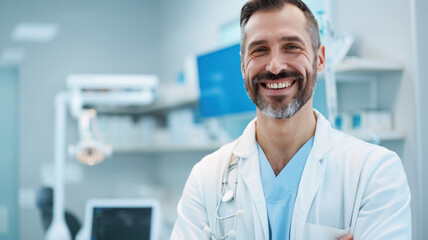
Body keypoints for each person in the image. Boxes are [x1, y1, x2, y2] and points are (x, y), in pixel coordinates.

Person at [170, 0, 411, 239]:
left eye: (292, 46)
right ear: (243, 66)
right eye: (260, 50)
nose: (275, 66)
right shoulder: (206, 178)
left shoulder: (375, 172)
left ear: (320, 58)